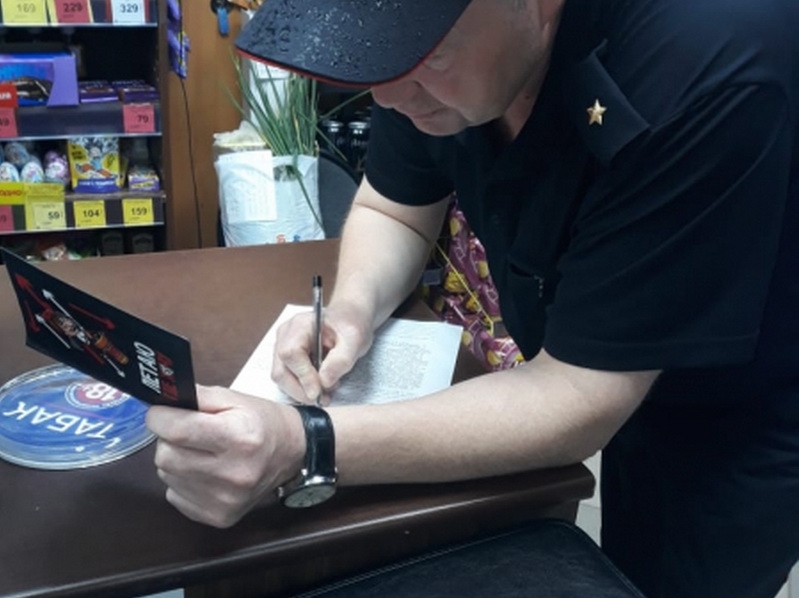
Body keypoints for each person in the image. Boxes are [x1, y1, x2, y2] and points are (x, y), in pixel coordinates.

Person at [145, 0, 799, 596]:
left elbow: (579, 395)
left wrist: (306, 442)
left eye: (426, 58)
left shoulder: (703, 63)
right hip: (614, 344)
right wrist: (352, 308)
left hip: (743, 403)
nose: (388, 94)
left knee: (678, 571)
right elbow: (395, 207)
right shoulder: (438, 51)